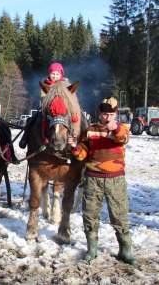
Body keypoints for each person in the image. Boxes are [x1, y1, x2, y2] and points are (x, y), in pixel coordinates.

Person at [68, 97, 137, 265]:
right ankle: (92, 249)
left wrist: (116, 127)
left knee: (119, 215)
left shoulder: (121, 128)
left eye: (111, 114)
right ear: (100, 113)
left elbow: (123, 138)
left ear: (115, 115)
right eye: (105, 114)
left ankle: (125, 249)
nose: (107, 117)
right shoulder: (90, 130)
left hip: (116, 180)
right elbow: (83, 155)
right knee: (90, 215)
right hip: (93, 179)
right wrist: (75, 147)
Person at [19, 62, 67, 149]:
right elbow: (43, 96)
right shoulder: (46, 84)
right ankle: (25, 137)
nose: (55, 76)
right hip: (48, 110)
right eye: (53, 73)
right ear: (49, 74)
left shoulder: (65, 84)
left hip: (62, 111)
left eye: (57, 74)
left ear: (61, 75)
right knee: (32, 119)